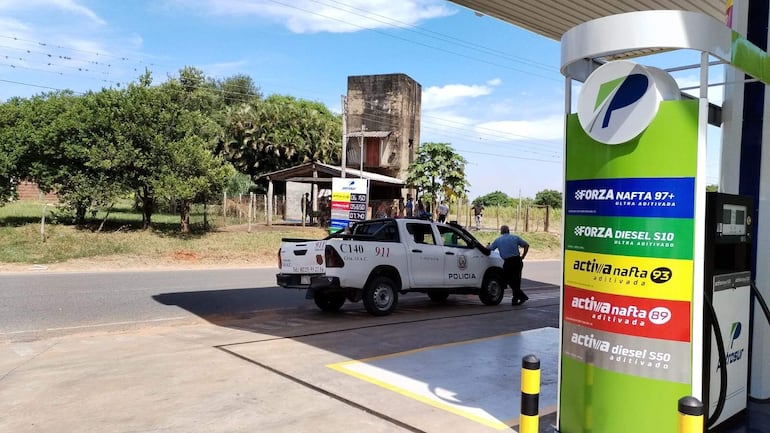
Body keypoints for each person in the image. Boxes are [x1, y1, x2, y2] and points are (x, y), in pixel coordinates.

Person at [488, 225, 529, 306]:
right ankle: (518, 298)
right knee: (517, 281)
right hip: (517, 261)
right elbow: (526, 245)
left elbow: (490, 249)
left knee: (507, 279)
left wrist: (487, 245)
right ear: (508, 231)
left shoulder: (498, 240)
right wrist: (523, 256)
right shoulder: (515, 238)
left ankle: (518, 298)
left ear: (501, 231)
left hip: (508, 262)